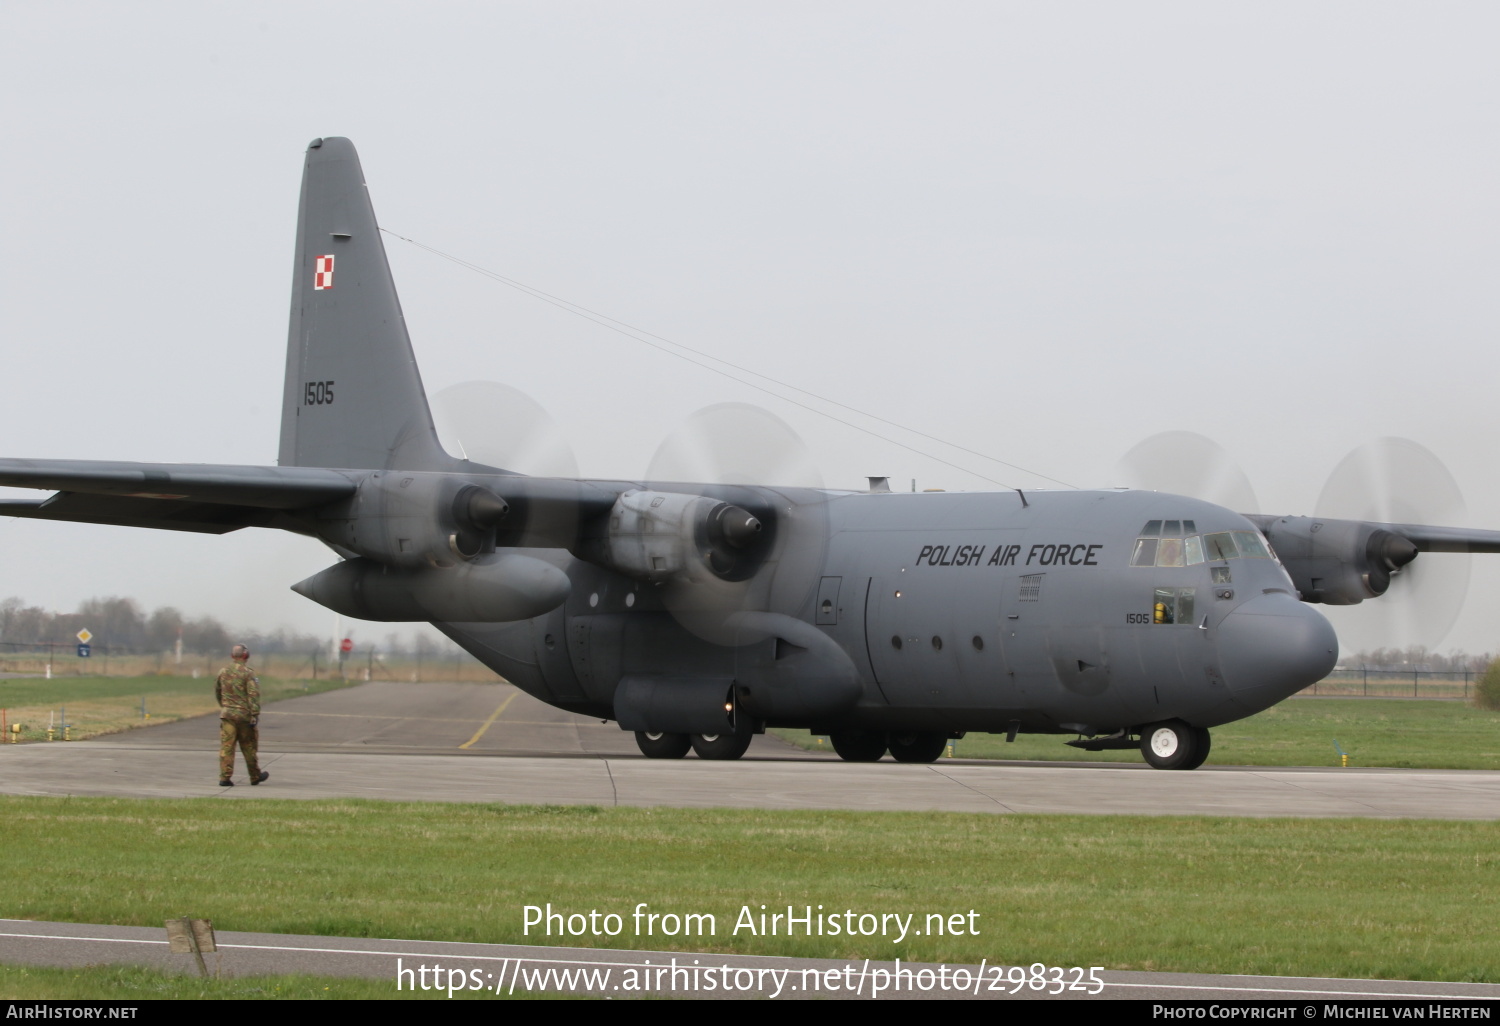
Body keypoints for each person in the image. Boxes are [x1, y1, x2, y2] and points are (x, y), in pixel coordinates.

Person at [216, 644, 268, 786]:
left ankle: (224, 777)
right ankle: (254, 776)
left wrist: (225, 707)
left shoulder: (223, 671)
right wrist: (254, 714)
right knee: (248, 746)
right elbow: (253, 695)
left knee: (227, 747)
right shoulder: (248, 673)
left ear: (232, 655)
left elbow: (218, 691)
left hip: (227, 716)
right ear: (245, 655)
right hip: (244, 717)